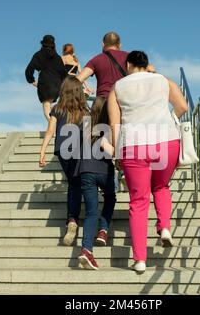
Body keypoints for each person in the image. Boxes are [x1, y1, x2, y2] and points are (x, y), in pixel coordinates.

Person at [107, 51, 189, 274]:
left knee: (138, 201)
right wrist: (170, 120)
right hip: (166, 140)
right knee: (161, 187)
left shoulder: (118, 87)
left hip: (134, 145)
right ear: (146, 64)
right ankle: (164, 228)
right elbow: (182, 106)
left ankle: (140, 259)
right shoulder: (163, 80)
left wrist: (117, 154)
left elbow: (115, 124)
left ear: (129, 64)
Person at [39, 77, 90, 246]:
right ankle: (76, 219)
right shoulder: (84, 109)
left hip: (62, 150)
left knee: (73, 184)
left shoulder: (57, 108)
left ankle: (72, 220)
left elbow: (50, 130)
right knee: (79, 184)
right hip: (80, 149)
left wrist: (42, 151)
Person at [76, 98, 117, 271]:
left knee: (91, 213)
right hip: (103, 172)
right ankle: (104, 230)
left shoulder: (83, 127)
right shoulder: (108, 128)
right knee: (110, 197)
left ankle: (86, 250)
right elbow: (111, 151)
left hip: (85, 172)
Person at [26, 35, 68, 122]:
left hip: (44, 84)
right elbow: (64, 73)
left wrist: (32, 80)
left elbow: (29, 69)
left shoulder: (38, 55)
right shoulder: (58, 57)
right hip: (57, 85)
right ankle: (56, 122)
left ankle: (53, 127)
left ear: (42, 44)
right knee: (53, 106)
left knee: (46, 108)